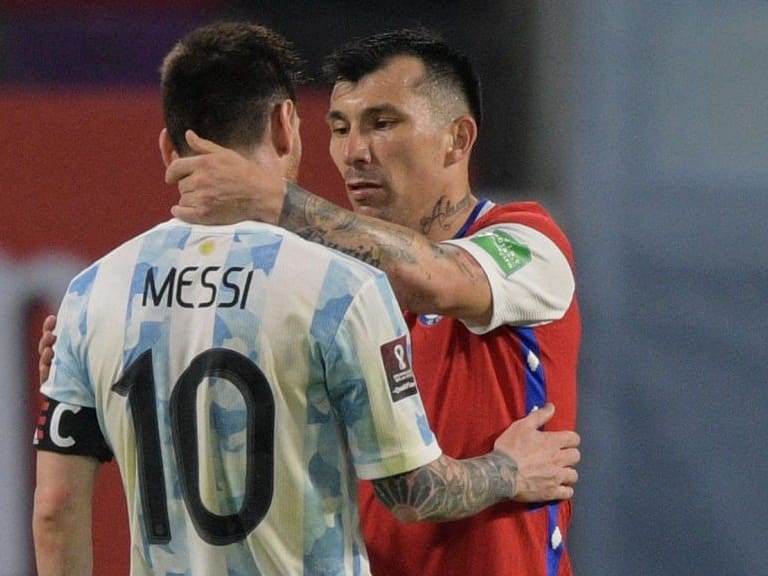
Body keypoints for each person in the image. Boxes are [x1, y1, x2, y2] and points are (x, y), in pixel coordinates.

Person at [32, 22, 580, 576]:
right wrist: (95, 372)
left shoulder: (529, 242)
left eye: (383, 123)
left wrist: (274, 198)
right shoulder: (329, 284)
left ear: (457, 139)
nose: (353, 152)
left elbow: (440, 278)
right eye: (339, 128)